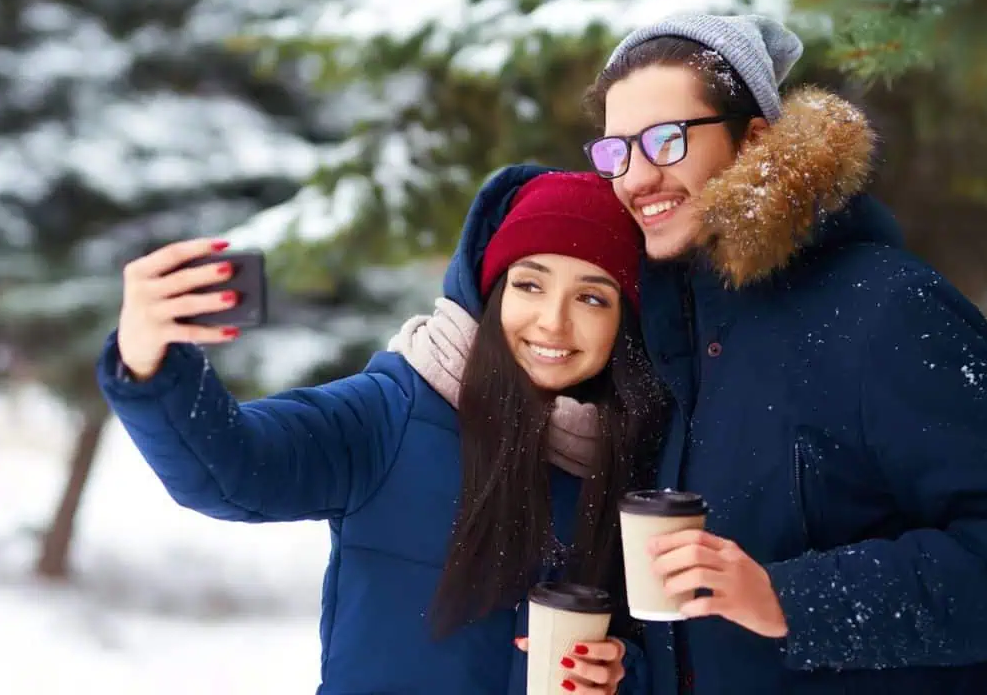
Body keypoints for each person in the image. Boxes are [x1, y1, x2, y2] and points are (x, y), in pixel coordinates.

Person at [578, 12, 987, 694]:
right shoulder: (661, 339)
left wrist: (793, 600)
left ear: (756, 138)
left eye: (666, 140)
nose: (637, 177)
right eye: (616, 151)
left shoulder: (885, 309)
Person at [95, 168, 670, 694]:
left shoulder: (644, 458)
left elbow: (676, 655)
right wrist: (148, 360)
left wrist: (622, 673)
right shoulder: (393, 410)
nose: (553, 320)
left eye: (592, 297)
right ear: (490, 291)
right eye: (529, 284)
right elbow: (233, 471)